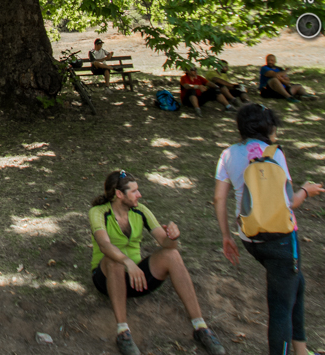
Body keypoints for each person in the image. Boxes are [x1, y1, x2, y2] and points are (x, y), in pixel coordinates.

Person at [214, 103, 324, 355]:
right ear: (267, 126)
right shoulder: (274, 153)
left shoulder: (227, 154)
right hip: (280, 239)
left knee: (296, 283)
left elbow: (219, 198)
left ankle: (302, 351)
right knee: (281, 306)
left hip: (249, 237)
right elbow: (290, 202)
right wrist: (306, 191)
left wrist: (226, 236)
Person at [88, 170, 226, 355]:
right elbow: (104, 245)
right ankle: (123, 332)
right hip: (106, 277)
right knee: (115, 262)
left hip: (136, 279)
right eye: (134, 191)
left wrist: (173, 237)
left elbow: (166, 244)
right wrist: (127, 262)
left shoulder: (141, 210)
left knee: (172, 255)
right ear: (119, 194)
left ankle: (200, 327)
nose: (139, 194)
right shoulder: (98, 212)